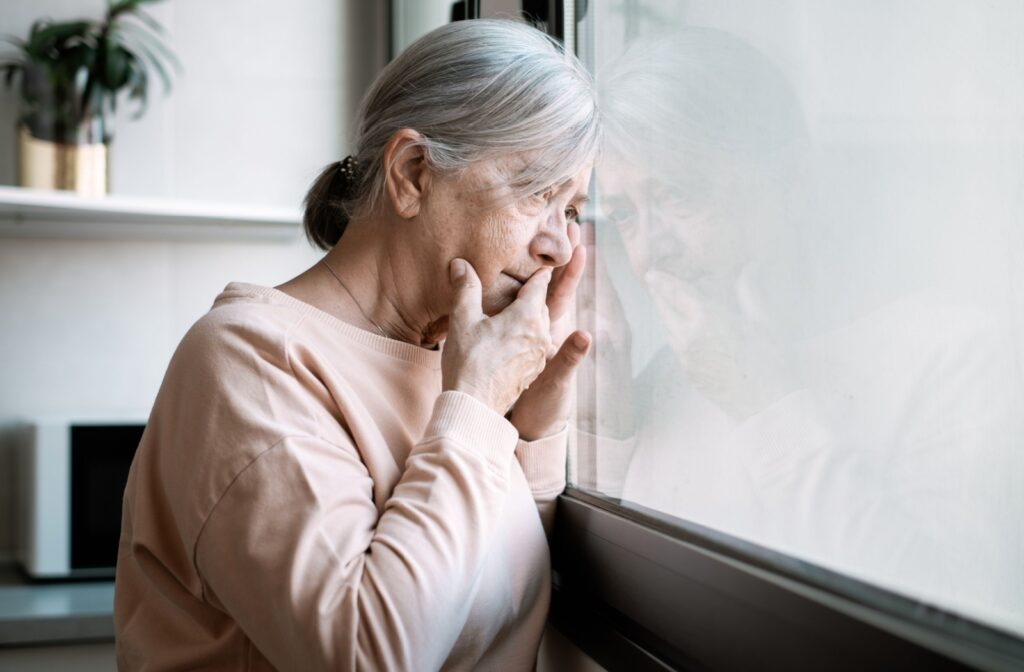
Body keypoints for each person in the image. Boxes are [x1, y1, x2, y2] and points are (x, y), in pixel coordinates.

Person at [114, 18, 600, 671]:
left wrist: (530, 435)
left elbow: (491, 611)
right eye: (537, 192)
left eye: (571, 209)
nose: (560, 245)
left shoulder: (457, 365)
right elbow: (370, 656)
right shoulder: (248, 361)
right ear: (412, 173)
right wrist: (480, 407)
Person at [587, 25, 1024, 634]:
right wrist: (609, 426)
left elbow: (935, 627)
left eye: (681, 195)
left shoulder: (959, 360)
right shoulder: (671, 376)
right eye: (628, 214)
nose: (650, 254)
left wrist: (763, 404)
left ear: (787, 178)